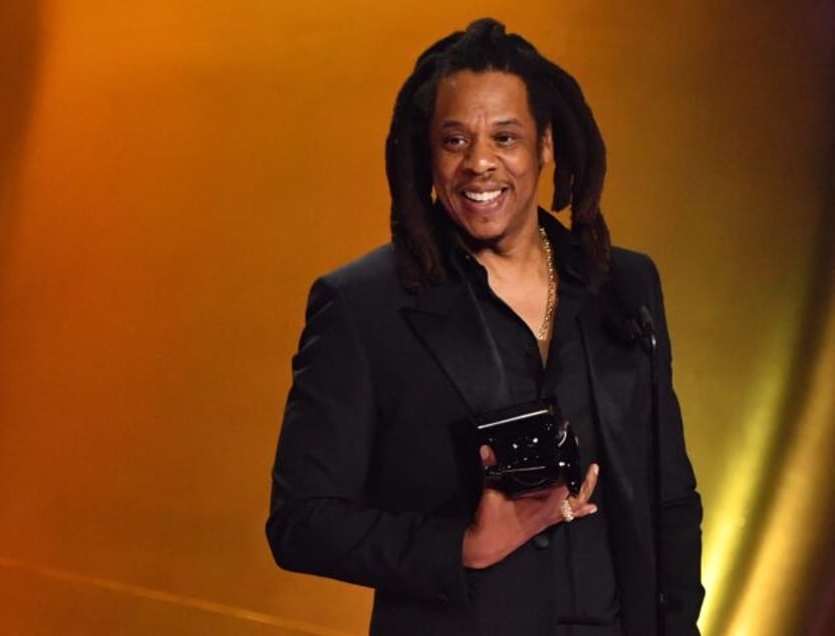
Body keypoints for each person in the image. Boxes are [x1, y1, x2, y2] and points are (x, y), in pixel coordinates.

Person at [266, 18, 704, 636]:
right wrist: (460, 546)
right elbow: (301, 521)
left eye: (505, 137)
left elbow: (671, 501)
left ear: (545, 145)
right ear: (428, 152)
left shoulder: (624, 286)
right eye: (454, 140)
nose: (479, 164)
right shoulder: (364, 306)